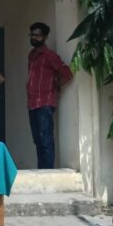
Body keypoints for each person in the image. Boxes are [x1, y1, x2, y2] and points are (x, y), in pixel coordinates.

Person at [27, 22, 73, 169]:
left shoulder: (49, 56)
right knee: (37, 140)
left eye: (37, 35)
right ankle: (42, 171)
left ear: (45, 37)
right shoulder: (32, 55)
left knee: (45, 139)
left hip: (45, 103)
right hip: (32, 103)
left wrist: (55, 86)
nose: (34, 38)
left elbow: (67, 73)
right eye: (32, 35)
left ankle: (47, 172)